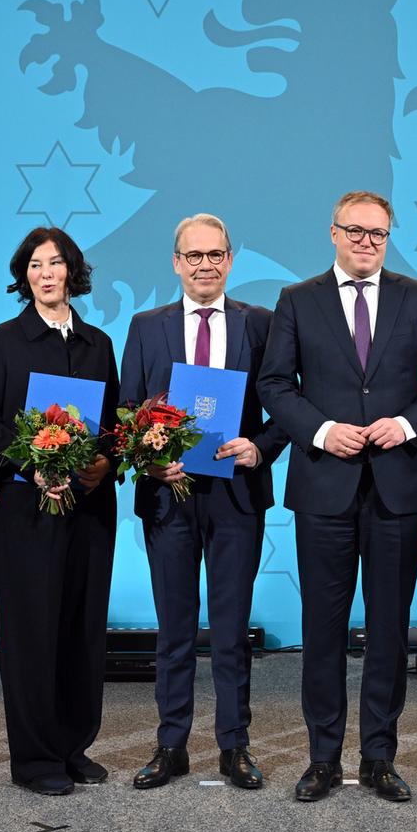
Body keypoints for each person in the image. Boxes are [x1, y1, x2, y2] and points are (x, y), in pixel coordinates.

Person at [258, 190, 417, 804]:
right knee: (321, 629)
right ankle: (323, 758)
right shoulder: (297, 300)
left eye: (378, 234)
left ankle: (379, 756)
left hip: (397, 486)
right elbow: (275, 383)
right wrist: (323, 430)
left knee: (388, 627)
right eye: (356, 232)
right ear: (333, 233)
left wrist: (405, 425)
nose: (367, 243)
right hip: (324, 485)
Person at [118, 213, 288, 791]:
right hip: (169, 495)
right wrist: (148, 457)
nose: (205, 266)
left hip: (236, 496)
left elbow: (286, 409)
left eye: (215, 255)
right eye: (194, 256)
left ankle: (234, 746)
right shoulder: (146, 326)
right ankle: (171, 744)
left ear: (230, 260)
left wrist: (258, 447)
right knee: (174, 628)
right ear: (176, 262)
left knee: (232, 627)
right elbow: (127, 412)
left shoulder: (259, 325)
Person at [0, 226, 121, 796]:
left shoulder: (98, 343)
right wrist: (32, 466)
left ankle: (73, 745)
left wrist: (105, 464)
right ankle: (33, 759)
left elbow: (114, 426)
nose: (45, 273)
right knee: (33, 630)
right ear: (23, 275)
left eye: (55, 264)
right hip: (28, 511)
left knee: (81, 627)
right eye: (35, 265)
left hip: (89, 511)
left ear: (72, 272)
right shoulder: (6, 340)